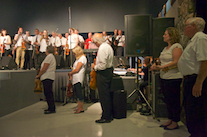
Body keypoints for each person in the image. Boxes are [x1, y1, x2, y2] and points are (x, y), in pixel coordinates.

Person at [178, 17, 207, 137]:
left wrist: (199, 82)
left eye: (186, 25)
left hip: (196, 80)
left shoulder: (200, 38)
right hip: (190, 79)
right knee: (190, 110)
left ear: (194, 25)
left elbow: (205, 61)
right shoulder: (193, 40)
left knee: (196, 111)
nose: (184, 28)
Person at [151, 27, 183, 130]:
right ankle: (170, 118)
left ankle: (175, 121)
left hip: (173, 78)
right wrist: (156, 65)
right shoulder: (165, 48)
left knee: (174, 100)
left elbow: (176, 62)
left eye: (165, 34)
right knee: (167, 100)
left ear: (172, 36)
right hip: (164, 77)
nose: (163, 36)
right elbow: (160, 60)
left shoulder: (177, 47)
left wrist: (162, 67)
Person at [92, 33, 114, 123]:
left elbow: (102, 65)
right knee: (107, 95)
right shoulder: (108, 46)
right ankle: (108, 114)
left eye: (94, 42)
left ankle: (106, 117)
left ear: (97, 41)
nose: (95, 44)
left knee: (103, 96)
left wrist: (95, 67)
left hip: (103, 73)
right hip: (109, 72)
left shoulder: (102, 48)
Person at [36, 45, 56, 114]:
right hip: (48, 76)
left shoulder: (49, 57)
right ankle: (50, 107)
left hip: (47, 76)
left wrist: (39, 75)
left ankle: (51, 108)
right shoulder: (51, 57)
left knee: (48, 93)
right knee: (48, 92)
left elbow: (44, 68)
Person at [68, 46, 87, 114]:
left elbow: (77, 69)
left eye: (74, 53)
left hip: (78, 78)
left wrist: (70, 73)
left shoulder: (82, 58)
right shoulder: (78, 59)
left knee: (79, 93)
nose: (73, 54)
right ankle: (79, 107)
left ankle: (81, 108)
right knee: (77, 93)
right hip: (75, 78)